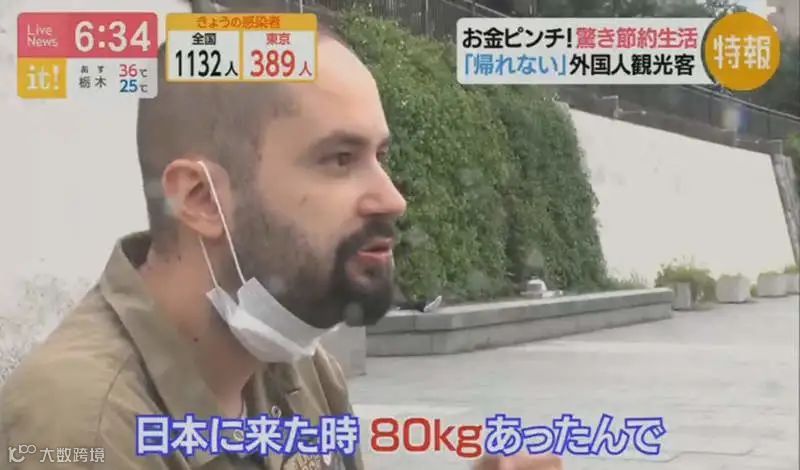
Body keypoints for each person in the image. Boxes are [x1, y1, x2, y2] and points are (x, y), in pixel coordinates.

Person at [0, 19, 561, 470]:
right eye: (339, 159)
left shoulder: (301, 371)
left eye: (380, 157)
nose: (392, 199)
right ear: (200, 198)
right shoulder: (81, 428)